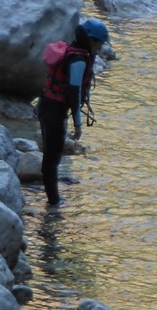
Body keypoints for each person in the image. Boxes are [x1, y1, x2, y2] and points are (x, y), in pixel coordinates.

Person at [38, 18, 109, 206]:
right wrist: (78, 123)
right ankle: (54, 202)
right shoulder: (78, 59)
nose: (101, 48)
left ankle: (51, 197)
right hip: (54, 110)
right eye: (100, 44)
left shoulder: (70, 50)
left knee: (50, 154)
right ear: (92, 41)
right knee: (52, 158)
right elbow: (74, 92)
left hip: (46, 104)